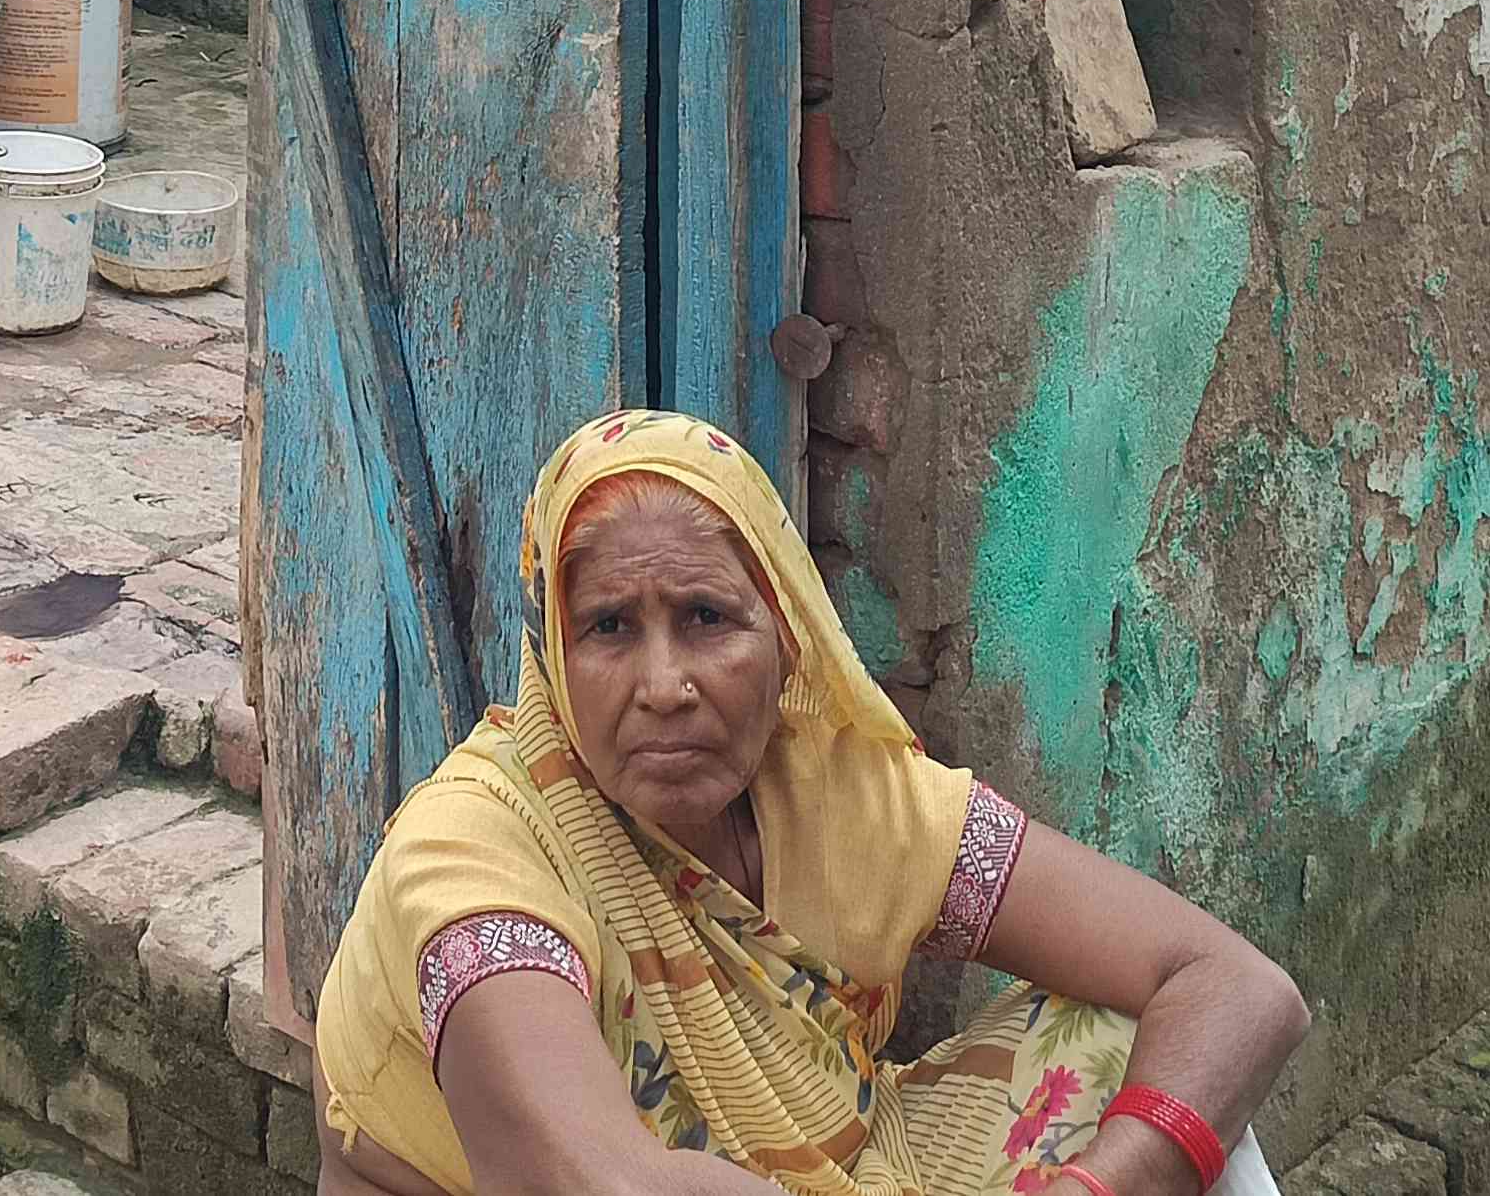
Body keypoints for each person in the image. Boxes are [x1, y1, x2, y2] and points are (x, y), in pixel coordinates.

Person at [313, 412, 1307, 1196]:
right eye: (609, 626)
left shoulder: (839, 794)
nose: (664, 684)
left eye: (707, 616)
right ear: (552, 657)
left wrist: (1102, 1184)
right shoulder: (474, 848)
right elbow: (599, 1181)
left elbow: (1236, 985)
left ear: (787, 635)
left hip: (831, 1167)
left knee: (1140, 1044)